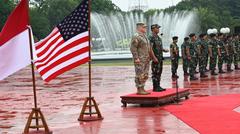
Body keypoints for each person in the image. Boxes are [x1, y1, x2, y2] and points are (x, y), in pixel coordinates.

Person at [130, 22, 158, 95]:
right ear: (139, 27)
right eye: (144, 27)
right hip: (140, 59)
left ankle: (142, 88)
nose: (145, 28)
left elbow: (149, 48)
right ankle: (139, 89)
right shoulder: (136, 36)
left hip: (146, 59)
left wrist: (152, 57)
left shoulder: (144, 36)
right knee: (139, 73)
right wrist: (136, 58)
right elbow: (133, 48)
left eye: (145, 27)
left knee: (145, 74)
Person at [149, 24, 169, 92]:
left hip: (160, 58)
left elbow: (159, 47)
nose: (158, 29)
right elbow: (150, 48)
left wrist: (164, 50)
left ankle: (158, 86)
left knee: (159, 72)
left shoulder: (158, 37)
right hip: (155, 58)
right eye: (157, 28)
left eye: (158, 28)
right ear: (153, 29)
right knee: (155, 72)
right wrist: (153, 58)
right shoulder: (151, 37)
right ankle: (155, 87)